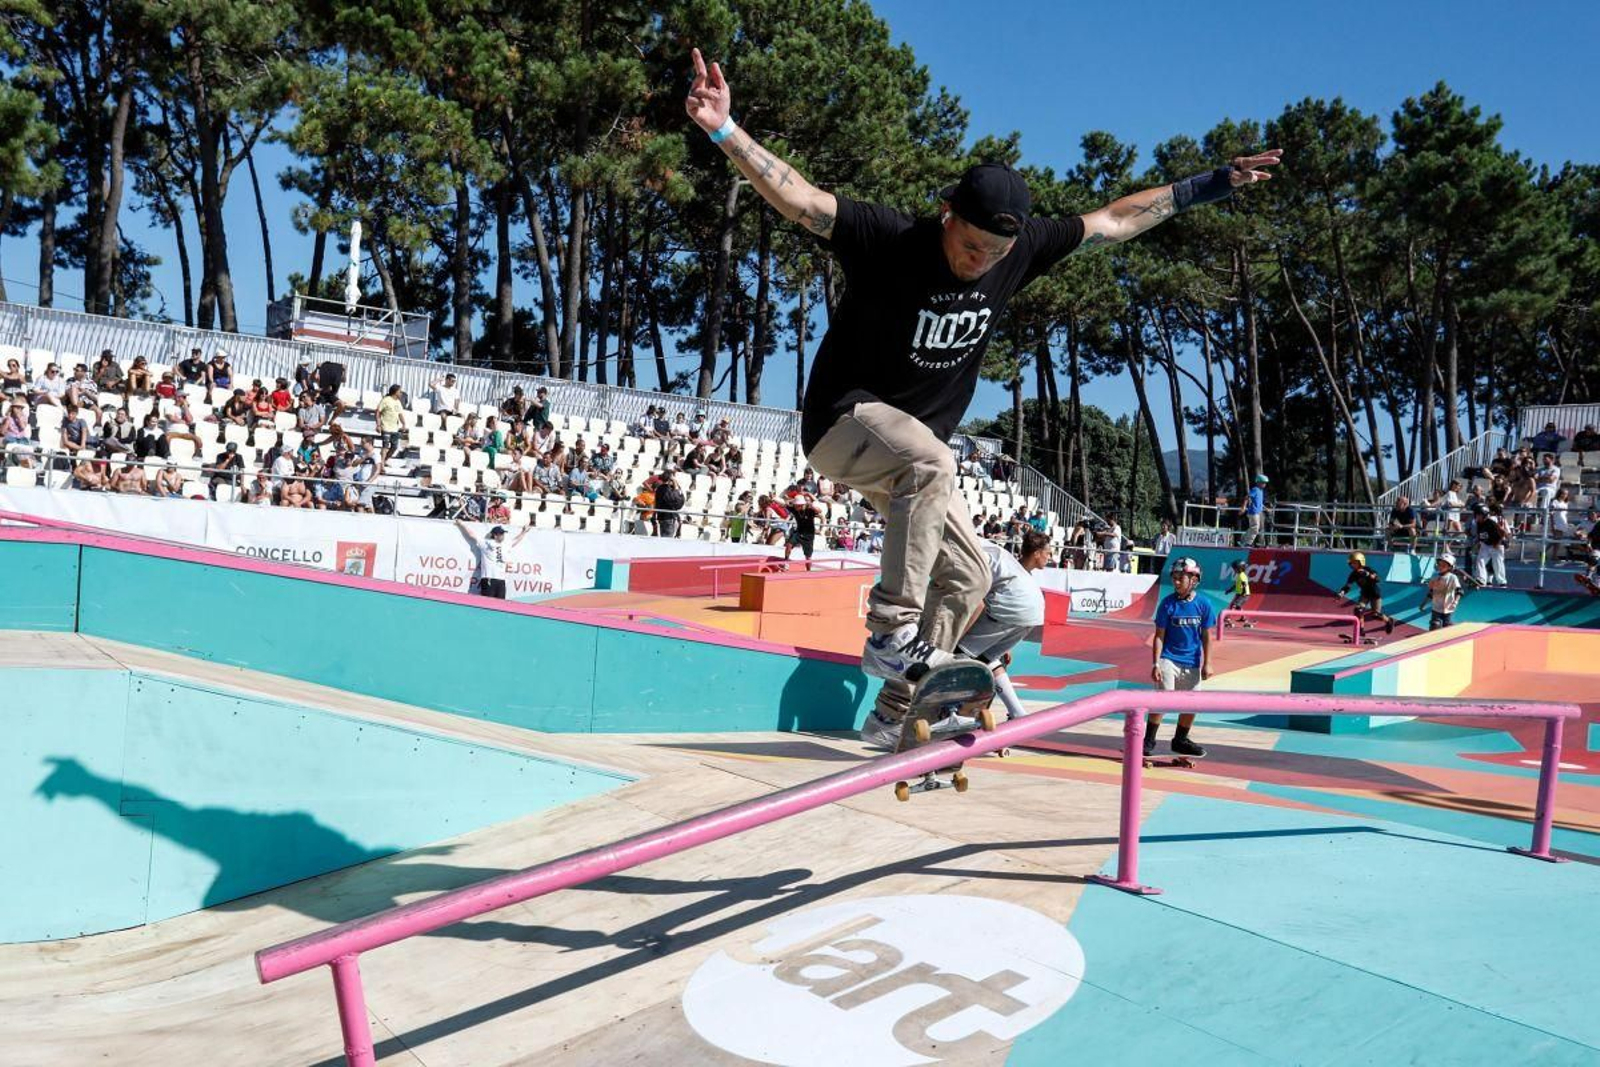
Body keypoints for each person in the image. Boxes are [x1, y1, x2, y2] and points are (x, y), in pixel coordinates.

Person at [686, 46, 1280, 725]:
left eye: (993, 254)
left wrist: (1210, 183)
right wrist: (723, 130)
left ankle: (898, 709)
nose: (979, 263)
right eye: (969, 246)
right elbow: (801, 199)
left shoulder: (1022, 247)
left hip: (909, 459)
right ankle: (889, 635)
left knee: (970, 575)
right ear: (947, 214)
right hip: (842, 423)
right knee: (933, 460)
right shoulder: (890, 239)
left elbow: (1118, 220)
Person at [1145, 556, 1214, 759]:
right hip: (1169, 659)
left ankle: (1180, 740)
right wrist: (1156, 663)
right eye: (1174, 578)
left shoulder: (1204, 604)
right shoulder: (1167, 604)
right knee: (1164, 698)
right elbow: (1159, 637)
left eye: (1180, 578)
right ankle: (1148, 740)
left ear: (1193, 579)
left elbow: (1207, 637)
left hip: (1192, 662)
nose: (1175, 582)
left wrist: (1207, 663)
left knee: (1193, 703)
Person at [455, 520, 526, 599]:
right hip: (488, 578)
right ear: (495, 535)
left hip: (501, 580)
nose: (503, 535)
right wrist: (461, 524)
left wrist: (524, 532)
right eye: (501, 534)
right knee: (488, 605)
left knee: (501, 606)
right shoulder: (485, 543)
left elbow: (516, 540)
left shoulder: (505, 545)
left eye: (503, 533)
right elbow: (472, 535)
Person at [1335, 551, 1395, 635]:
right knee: (1358, 610)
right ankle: (1361, 630)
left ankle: (1389, 620)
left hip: (1375, 593)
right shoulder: (1353, 574)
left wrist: (1368, 574)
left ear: (1360, 562)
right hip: (1365, 594)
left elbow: (1377, 579)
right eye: (1351, 563)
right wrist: (1341, 593)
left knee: (1376, 615)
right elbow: (1347, 586)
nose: (1352, 565)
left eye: (1354, 563)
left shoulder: (1368, 569)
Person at [1473, 503, 1510, 587]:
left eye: (1479, 515)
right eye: (1476, 515)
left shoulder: (1491, 522)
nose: (1477, 517)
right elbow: (1481, 535)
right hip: (1486, 545)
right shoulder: (1478, 523)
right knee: (1480, 560)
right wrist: (1479, 543)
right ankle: (1481, 579)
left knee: (1497, 563)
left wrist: (1497, 543)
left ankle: (1502, 582)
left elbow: (1503, 532)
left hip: (1496, 545)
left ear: (1484, 515)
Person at [1426, 553, 1464, 629]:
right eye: (1439, 565)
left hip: (1448, 606)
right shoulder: (1435, 576)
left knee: (1446, 626)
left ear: (1450, 567)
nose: (1440, 567)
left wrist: (1456, 601)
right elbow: (1431, 592)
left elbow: (1459, 591)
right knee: (1434, 624)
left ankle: (1450, 629)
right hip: (1436, 607)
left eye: (1443, 566)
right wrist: (1423, 604)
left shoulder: (1452, 577)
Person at [375, 384, 406, 468]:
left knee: (394, 447)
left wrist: (403, 424)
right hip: (386, 427)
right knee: (385, 446)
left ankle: (385, 460)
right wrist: (378, 425)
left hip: (395, 429)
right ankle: (381, 465)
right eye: (400, 391)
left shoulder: (398, 402)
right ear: (395, 392)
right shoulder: (386, 400)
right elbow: (378, 412)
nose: (401, 393)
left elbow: (400, 414)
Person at [1223, 560, 1253, 629]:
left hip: (1243, 594)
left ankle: (1228, 619)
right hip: (1240, 594)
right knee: (1237, 607)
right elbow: (1236, 585)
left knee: (1234, 605)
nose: (1234, 570)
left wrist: (1244, 593)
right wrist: (1229, 590)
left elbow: (1244, 584)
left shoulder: (1242, 576)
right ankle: (1244, 618)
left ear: (1240, 568)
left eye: (1235, 569)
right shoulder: (1240, 575)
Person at [1243, 473, 1268, 546]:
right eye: (1263, 483)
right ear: (1258, 482)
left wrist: (1266, 508)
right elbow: (1247, 497)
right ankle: (1247, 543)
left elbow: (1259, 502)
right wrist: (1243, 507)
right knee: (1255, 528)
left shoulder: (1261, 491)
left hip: (1258, 512)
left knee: (1254, 528)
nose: (1264, 484)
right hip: (1253, 512)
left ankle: (1243, 540)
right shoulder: (1255, 489)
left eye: (1265, 483)